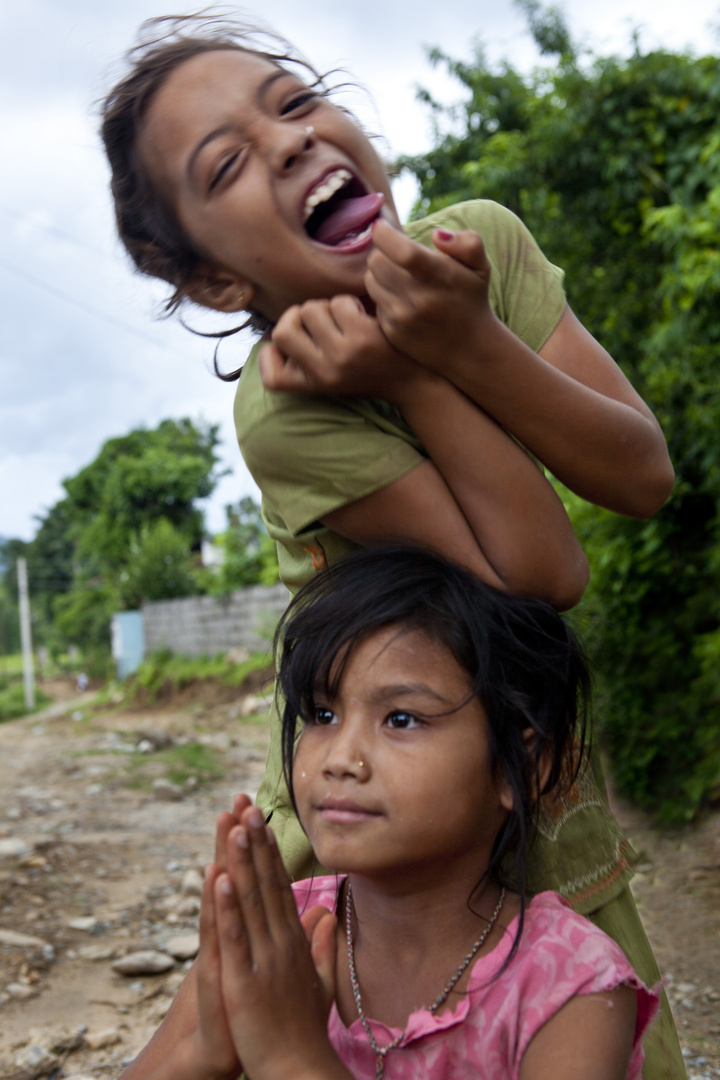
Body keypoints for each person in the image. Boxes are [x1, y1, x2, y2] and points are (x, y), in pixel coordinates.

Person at [101, 16, 682, 1077]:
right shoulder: (285, 409)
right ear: (215, 279)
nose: (287, 141)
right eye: (227, 162)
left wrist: (457, 340)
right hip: (371, 799)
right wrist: (430, 366)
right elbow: (542, 573)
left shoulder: (484, 248)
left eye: (294, 100)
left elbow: (639, 475)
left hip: (511, 767)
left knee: (584, 1010)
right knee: (238, 1031)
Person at [119, 547, 658, 1080]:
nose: (339, 760)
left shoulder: (568, 985)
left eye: (401, 719)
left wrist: (291, 1058)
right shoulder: (281, 935)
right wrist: (208, 1054)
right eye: (323, 714)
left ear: (521, 764)